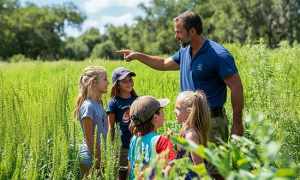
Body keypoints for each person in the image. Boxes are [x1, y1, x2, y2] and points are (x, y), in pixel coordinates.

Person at [116, 10, 244, 140]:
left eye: (179, 32)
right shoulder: (185, 51)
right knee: (188, 160)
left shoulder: (218, 55)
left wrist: (237, 123)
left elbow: (236, 87)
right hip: (186, 122)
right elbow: (164, 63)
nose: (176, 36)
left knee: (211, 160)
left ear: (192, 31)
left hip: (211, 123)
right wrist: (138, 55)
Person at [128, 96, 176, 180]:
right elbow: (171, 167)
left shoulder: (134, 139)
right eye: (162, 110)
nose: (164, 113)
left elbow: (130, 167)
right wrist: (176, 146)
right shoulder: (161, 141)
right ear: (155, 118)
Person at [74, 66, 109, 178]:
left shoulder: (98, 103)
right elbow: (90, 138)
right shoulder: (88, 106)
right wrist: (97, 160)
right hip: (90, 157)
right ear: (94, 82)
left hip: (99, 155)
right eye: (105, 79)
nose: (108, 82)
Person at [107, 67, 138, 180]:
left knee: (136, 172)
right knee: (122, 173)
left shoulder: (137, 99)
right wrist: (112, 147)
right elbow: (111, 126)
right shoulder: (114, 103)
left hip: (137, 143)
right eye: (124, 81)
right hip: (122, 146)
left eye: (130, 80)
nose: (129, 83)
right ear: (117, 84)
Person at [175, 91, 210, 179]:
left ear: (189, 112)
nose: (174, 111)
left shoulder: (191, 136)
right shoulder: (185, 129)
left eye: (178, 108)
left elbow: (199, 166)